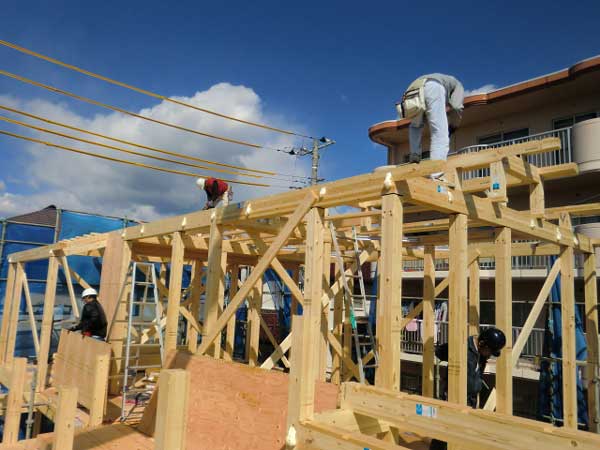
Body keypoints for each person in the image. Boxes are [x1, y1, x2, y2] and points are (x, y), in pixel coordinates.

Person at [429, 327, 506, 450]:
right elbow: (439, 352)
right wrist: (451, 348)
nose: (489, 355)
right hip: (453, 397)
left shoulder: (480, 352)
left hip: (470, 399)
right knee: (445, 432)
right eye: (489, 351)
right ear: (482, 344)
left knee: (463, 434)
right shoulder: (462, 348)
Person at [398, 74, 464, 179]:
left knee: (415, 126)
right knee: (440, 133)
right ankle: (436, 174)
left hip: (411, 92)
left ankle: (415, 156)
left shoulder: (442, 78)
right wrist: (453, 126)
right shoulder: (458, 85)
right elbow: (457, 107)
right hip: (433, 86)